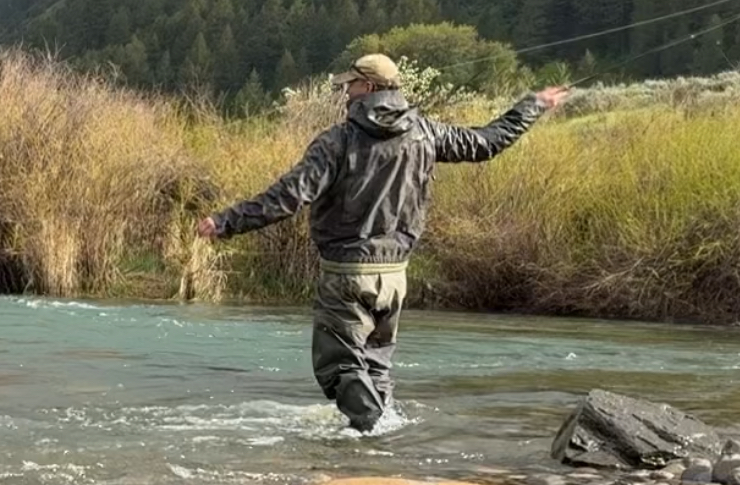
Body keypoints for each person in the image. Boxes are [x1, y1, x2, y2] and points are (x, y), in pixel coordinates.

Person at [196, 53, 569, 432]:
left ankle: (370, 427)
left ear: (370, 88)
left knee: (338, 367)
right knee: (376, 367)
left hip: (347, 275)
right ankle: (381, 447)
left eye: (352, 84)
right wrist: (534, 104)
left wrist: (226, 222)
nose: (345, 92)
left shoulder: (337, 142)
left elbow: (289, 196)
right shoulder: (427, 132)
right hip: (394, 279)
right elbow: (488, 142)